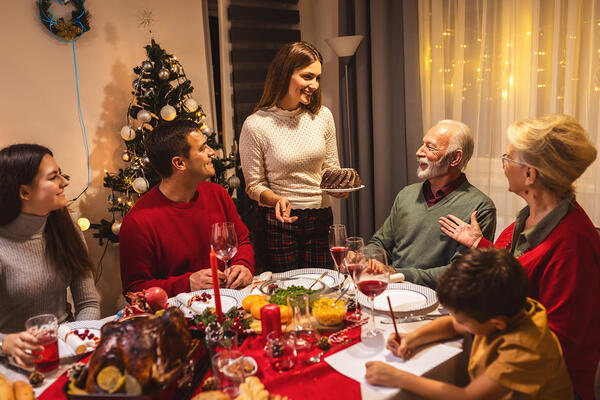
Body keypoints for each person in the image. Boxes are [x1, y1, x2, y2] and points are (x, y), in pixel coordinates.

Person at [439, 114, 600, 400]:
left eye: (508, 158)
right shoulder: (529, 219)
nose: (503, 164)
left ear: (530, 175)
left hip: (547, 387)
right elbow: (515, 273)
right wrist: (480, 244)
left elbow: (559, 343)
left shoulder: (573, 246)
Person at [366, 248, 574, 399]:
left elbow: (467, 396)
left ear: (497, 324)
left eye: (461, 318)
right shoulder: (506, 307)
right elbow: (452, 325)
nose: (456, 321)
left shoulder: (524, 349)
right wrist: (412, 338)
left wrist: (397, 378)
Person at [239, 41, 346, 273]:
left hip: (321, 217)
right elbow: (254, 186)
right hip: (278, 222)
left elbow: (330, 167)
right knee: (286, 291)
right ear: (285, 73)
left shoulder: (323, 116)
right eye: (307, 77)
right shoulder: (256, 124)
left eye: (317, 78)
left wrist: (338, 186)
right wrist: (277, 199)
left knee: (321, 289)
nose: (314, 85)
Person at [119, 120, 255, 298]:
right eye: (202, 148)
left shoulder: (218, 194)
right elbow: (135, 289)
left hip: (228, 300)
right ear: (180, 163)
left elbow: (242, 241)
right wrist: (187, 283)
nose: (211, 152)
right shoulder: (138, 222)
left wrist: (243, 265)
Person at [0, 144, 100, 367]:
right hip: (15, 362)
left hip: (67, 350)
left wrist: (76, 343)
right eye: (53, 177)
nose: (64, 182)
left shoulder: (68, 228)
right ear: (24, 192)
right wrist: (4, 343)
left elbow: (88, 303)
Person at [366, 120, 496, 288]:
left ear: (455, 158)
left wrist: (398, 274)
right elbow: (381, 243)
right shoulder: (407, 194)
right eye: (422, 144)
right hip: (394, 291)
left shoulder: (480, 207)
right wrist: (365, 258)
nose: (419, 152)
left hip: (440, 302)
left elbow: (460, 272)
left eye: (430, 147)